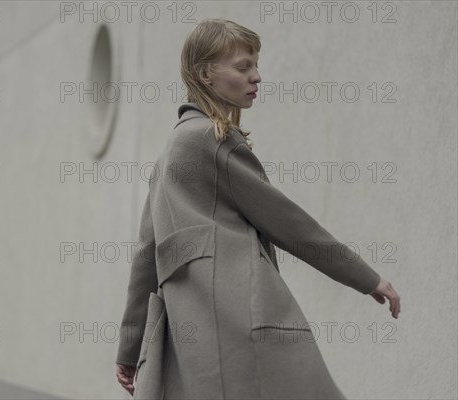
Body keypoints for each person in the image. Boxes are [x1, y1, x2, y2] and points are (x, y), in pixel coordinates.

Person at [115, 18, 401, 399]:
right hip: (239, 322)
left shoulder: (170, 152)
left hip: (195, 338)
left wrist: (129, 347)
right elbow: (287, 221)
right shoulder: (211, 140)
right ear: (206, 75)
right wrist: (366, 277)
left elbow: (146, 257)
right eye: (243, 66)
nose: (257, 77)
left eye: (256, 65)